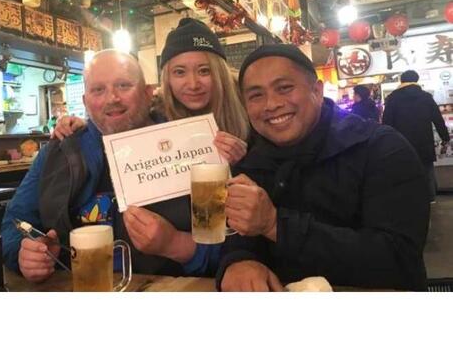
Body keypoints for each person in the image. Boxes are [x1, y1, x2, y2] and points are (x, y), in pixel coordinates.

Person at [216, 44, 430, 291]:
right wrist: (238, 261)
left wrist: (276, 225)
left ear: (317, 91)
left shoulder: (381, 148)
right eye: (256, 95)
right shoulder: (251, 162)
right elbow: (238, 238)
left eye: (284, 88)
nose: (271, 104)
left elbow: (398, 258)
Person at [49, 18, 250, 279]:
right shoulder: (159, 118)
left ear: (219, 72)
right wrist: (85, 125)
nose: (192, 84)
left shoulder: (250, 115)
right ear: (166, 80)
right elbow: (116, 116)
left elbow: (231, 233)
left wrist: (240, 165)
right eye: (179, 72)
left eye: (204, 70)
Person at [1, 50, 217, 282]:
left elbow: (225, 244)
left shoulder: (187, 146)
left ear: (147, 94)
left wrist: (176, 244)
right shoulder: (58, 152)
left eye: (124, 86)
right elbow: (14, 223)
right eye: (98, 90)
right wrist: (26, 254)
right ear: (85, 101)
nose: (112, 98)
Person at [382, 69, 450, 203]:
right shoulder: (426, 97)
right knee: (427, 168)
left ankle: (410, 199)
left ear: (401, 80)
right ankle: (430, 197)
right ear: (416, 80)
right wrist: (445, 137)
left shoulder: (393, 98)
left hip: (401, 142)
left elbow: (387, 122)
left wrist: (386, 141)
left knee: (404, 170)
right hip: (424, 140)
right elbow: (438, 119)